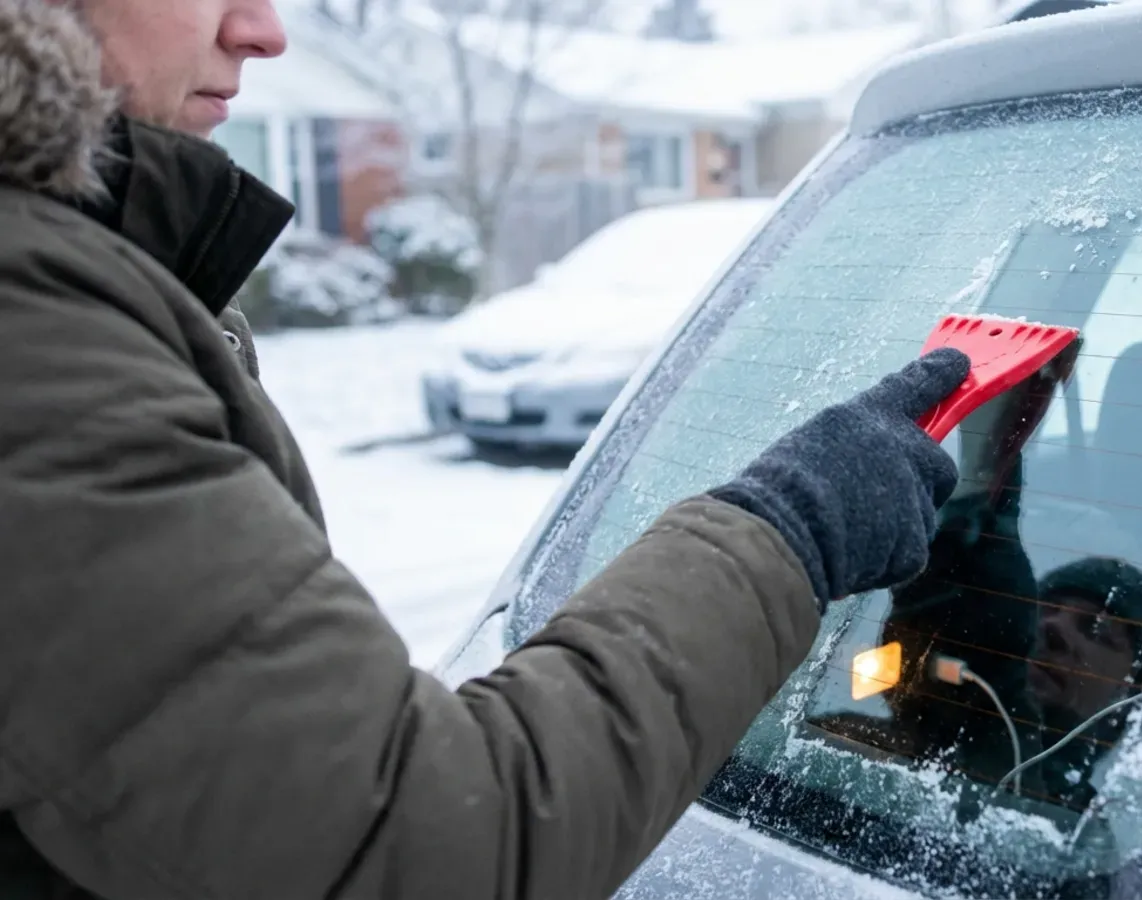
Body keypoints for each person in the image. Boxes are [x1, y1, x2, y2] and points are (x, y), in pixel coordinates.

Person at [0, 0, 972, 895]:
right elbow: (419, 840)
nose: (263, 30)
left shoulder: (83, 293)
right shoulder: (36, 333)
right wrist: (788, 527)